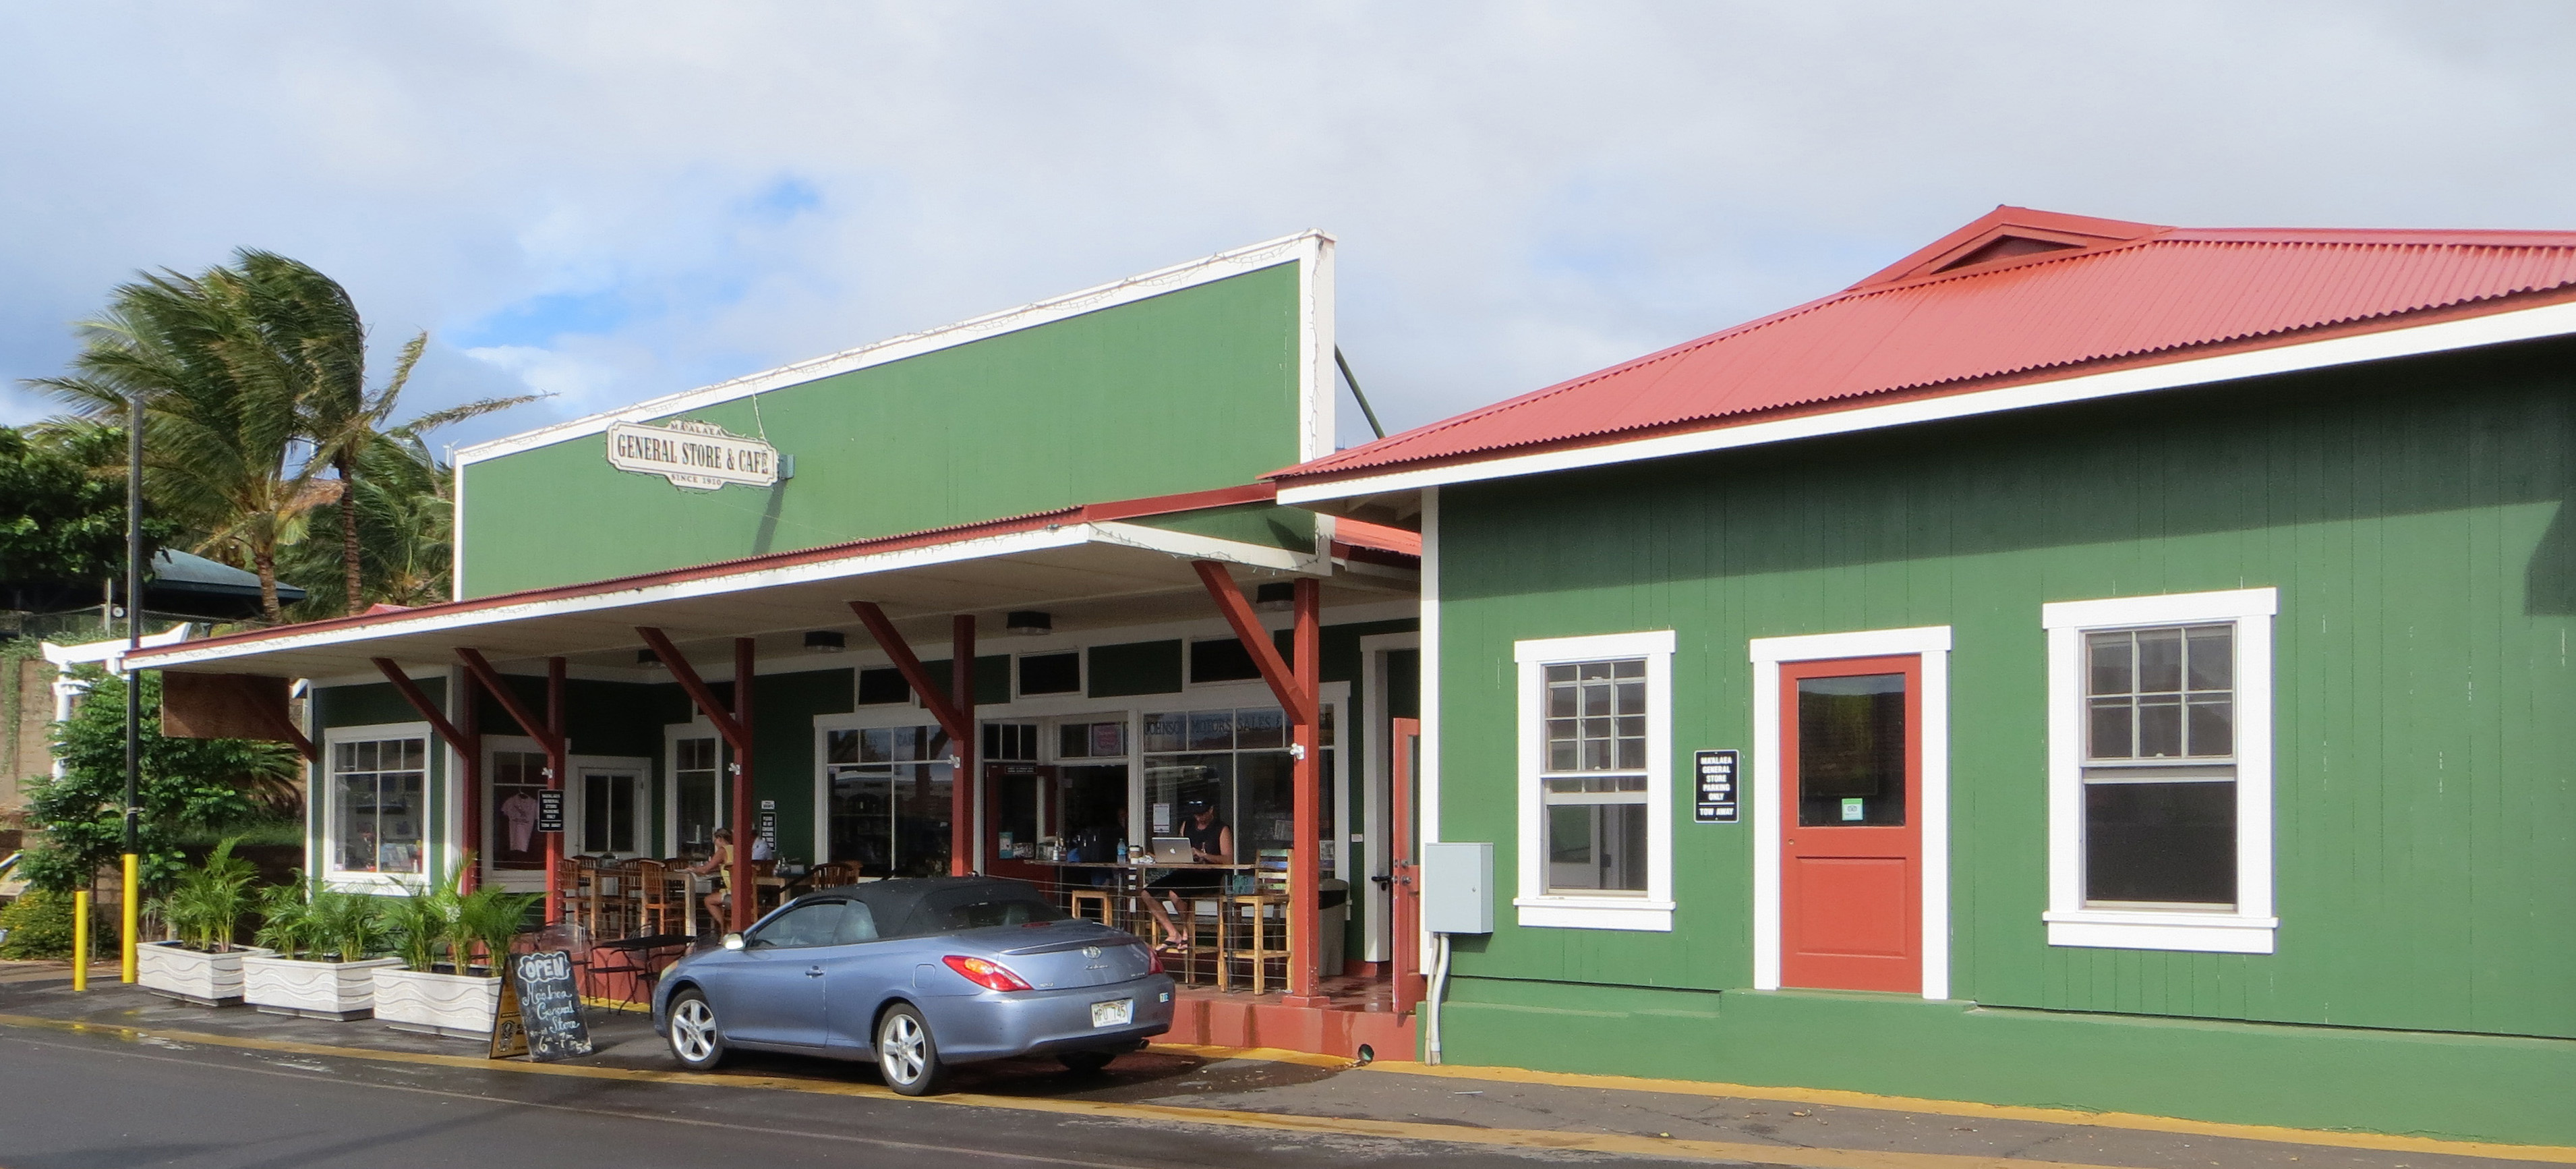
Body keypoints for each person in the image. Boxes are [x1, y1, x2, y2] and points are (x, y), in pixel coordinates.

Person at [1140, 798, 1231, 951]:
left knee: (1176, 894)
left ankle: (1186, 932)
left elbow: (1228, 860)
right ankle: (1172, 932)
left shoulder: (1221, 829)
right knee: (1146, 893)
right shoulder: (1187, 825)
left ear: (1211, 810)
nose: (1199, 818)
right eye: (1196, 815)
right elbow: (1179, 848)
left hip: (1209, 875)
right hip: (1185, 871)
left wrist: (1203, 855)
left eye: (1202, 814)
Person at [686, 828, 738, 928]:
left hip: (734, 892)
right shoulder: (736, 849)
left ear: (720, 838)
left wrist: (693, 869)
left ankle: (726, 928)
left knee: (708, 900)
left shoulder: (723, 850)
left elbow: (705, 869)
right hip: (747, 891)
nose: (715, 843)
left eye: (715, 840)